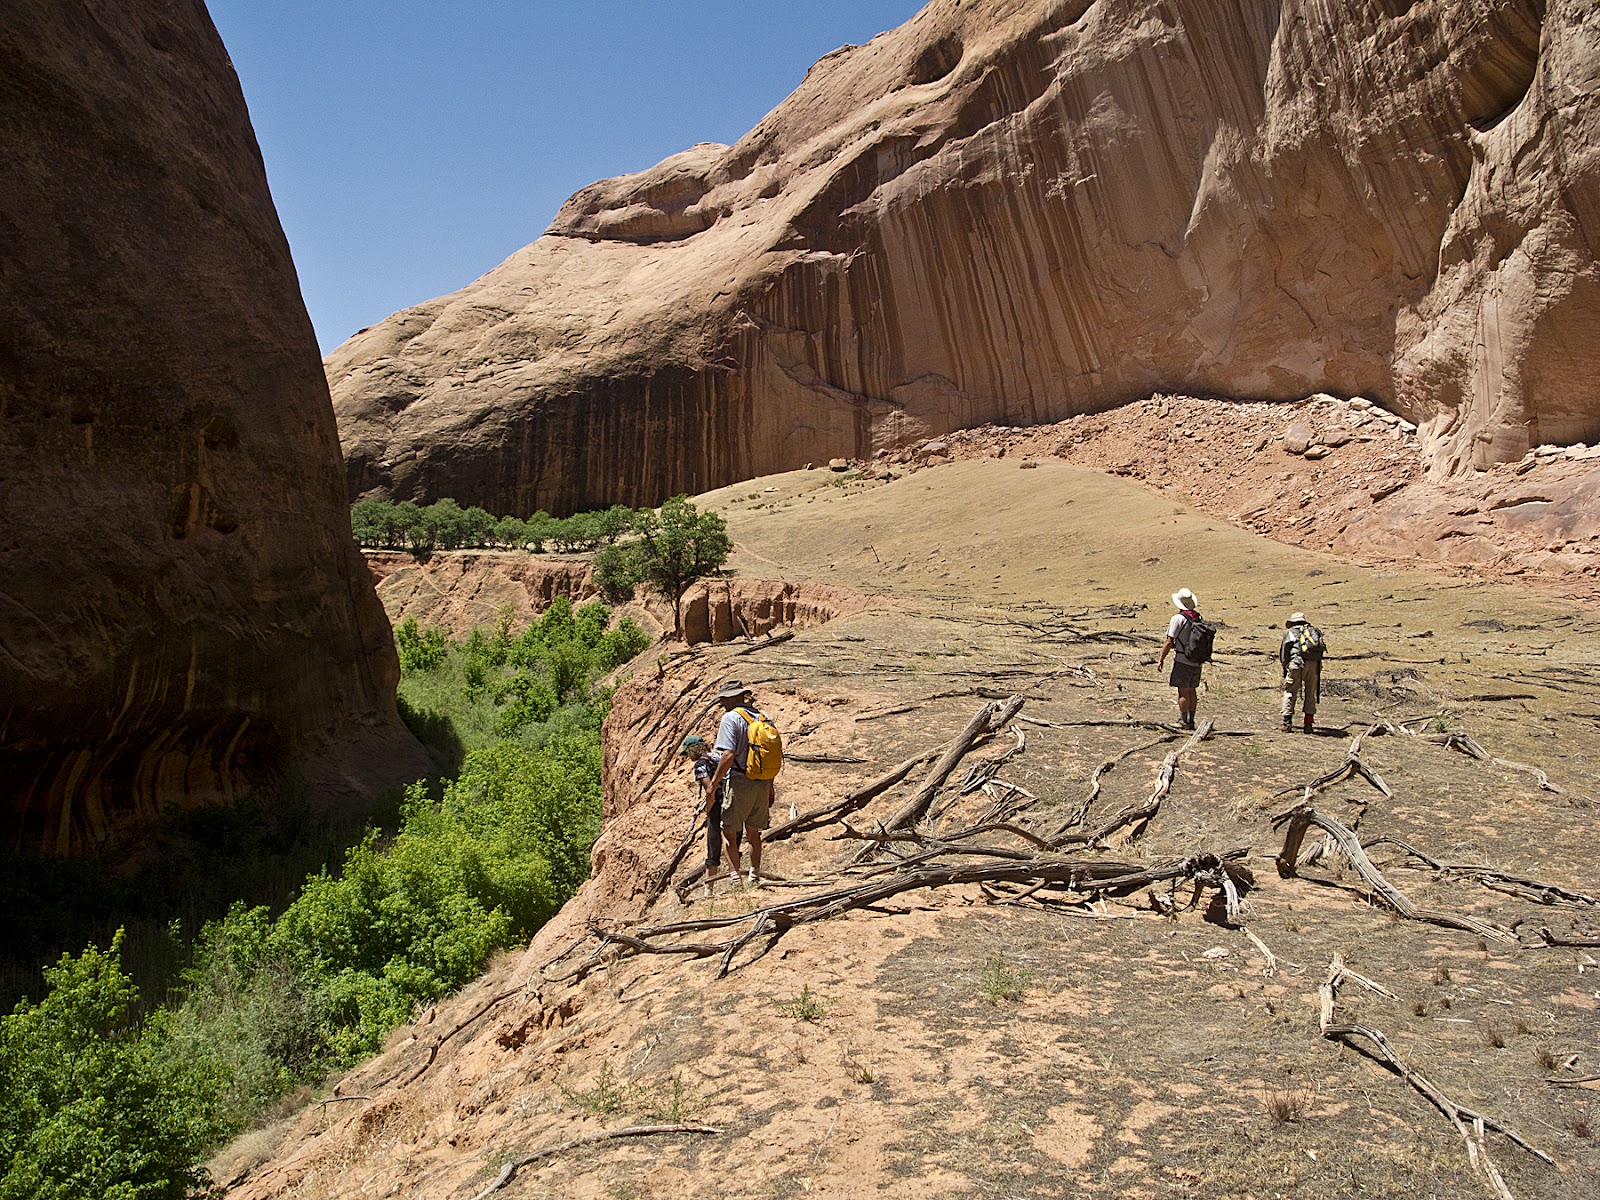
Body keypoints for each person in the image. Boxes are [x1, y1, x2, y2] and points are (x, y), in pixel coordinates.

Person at [705, 678, 774, 885]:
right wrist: (770, 785)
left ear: (730, 698)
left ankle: (735, 877)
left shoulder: (731, 718)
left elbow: (727, 755)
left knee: (729, 833)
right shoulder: (763, 717)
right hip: (761, 780)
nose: (721, 704)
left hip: (739, 780)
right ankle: (755, 874)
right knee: (753, 832)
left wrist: (714, 784)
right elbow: (771, 754)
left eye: (723, 700)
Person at [680, 733, 730, 895]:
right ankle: (736, 875)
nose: (687, 756)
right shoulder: (718, 755)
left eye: (687, 752)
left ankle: (709, 889)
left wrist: (709, 809)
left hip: (719, 803)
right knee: (732, 839)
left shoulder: (701, 764)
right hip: (734, 799)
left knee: (714, 842)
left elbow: (710, 790)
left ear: (693, 750)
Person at [1157, 587, 1205, 730]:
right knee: (1192, 690)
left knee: (1183, 691)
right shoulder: (1198, 617)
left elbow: (1169, 641)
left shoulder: (1178, 619)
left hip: (1183, 659)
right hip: (1196, 660)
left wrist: (1161, 658)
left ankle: (1184, 722)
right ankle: (1192, 719)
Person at [1280, 612, 1326, 733]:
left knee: (1290, 691)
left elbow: (1284, 653)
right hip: (1313, 664)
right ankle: (1308, 724)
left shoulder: (1290, 632)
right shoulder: (1313, 631)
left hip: (1296, 663)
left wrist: (1285, 666)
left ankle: (1287, 722)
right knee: (1310, 692)